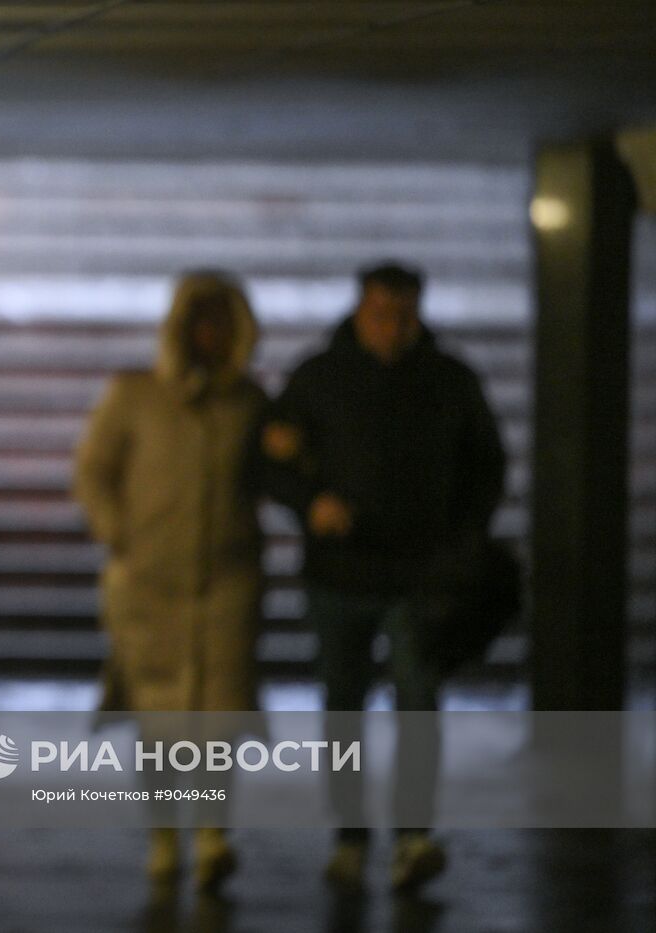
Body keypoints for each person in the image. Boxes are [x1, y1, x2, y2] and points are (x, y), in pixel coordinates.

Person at [257, 262, 506, 891]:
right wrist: (311, 501)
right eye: (381, 314)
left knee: (417, 703)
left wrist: (462, 536)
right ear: (359, 311)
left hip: (422, 576)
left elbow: (486, 464)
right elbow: (270, 457)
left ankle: (413, 836)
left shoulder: (449, 382)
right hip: (339, 576)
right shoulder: (320, 377)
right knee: (344, 708)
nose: (393, 328)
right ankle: (349, 836)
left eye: (404, 315)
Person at [73, 272, 265, 892]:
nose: (209, 336)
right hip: (147, 584)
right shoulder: (133, 395)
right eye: (199, 322)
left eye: (221, 324)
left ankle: (212, 836)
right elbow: (94, 470)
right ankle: (163, 838)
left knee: (218, 719)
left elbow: (271, 475)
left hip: (227, 585)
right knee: (157, 720)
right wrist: (117, 532)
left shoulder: (250, 404)